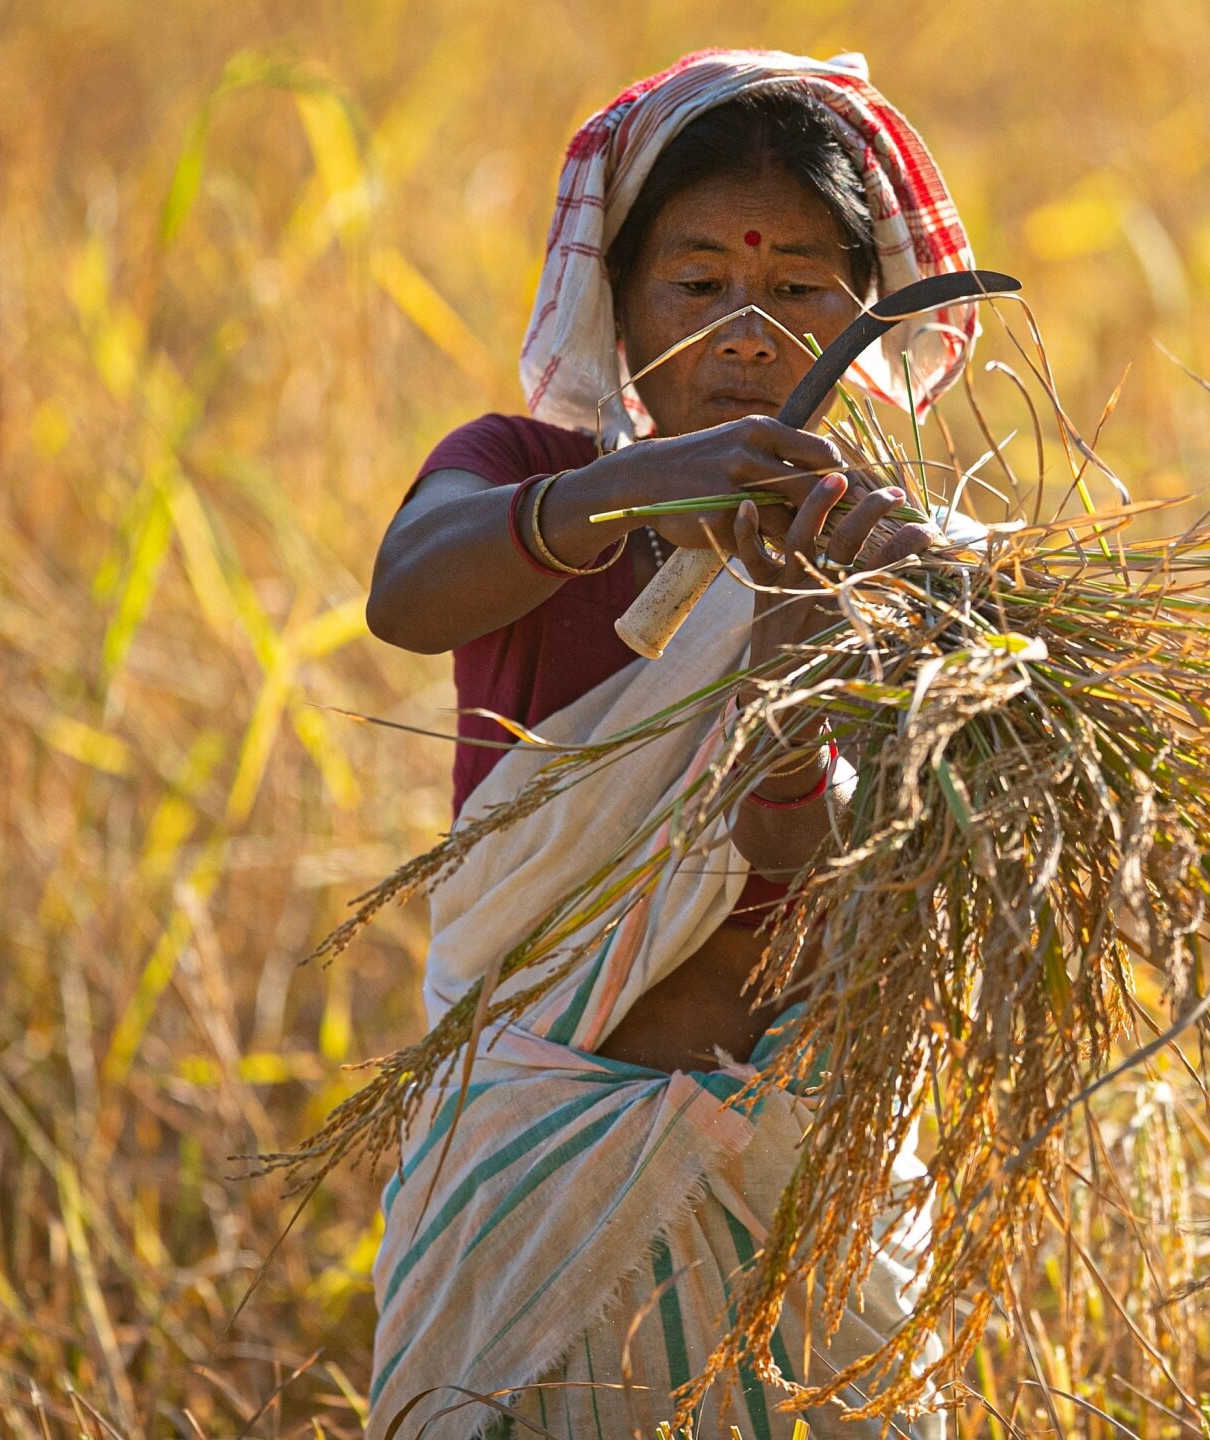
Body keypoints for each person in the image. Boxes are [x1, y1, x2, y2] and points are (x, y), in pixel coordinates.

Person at [360, 49, 977, 1439]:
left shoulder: (901, 561)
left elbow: (805, 872)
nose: (748, 333)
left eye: (802, 287)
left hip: (796, 1182)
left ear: (866, 316)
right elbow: (407, 591)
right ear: (620, 310)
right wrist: (632, 494)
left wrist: (809, 654)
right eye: (698, 286)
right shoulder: (529, 476)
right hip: (530, 1182)